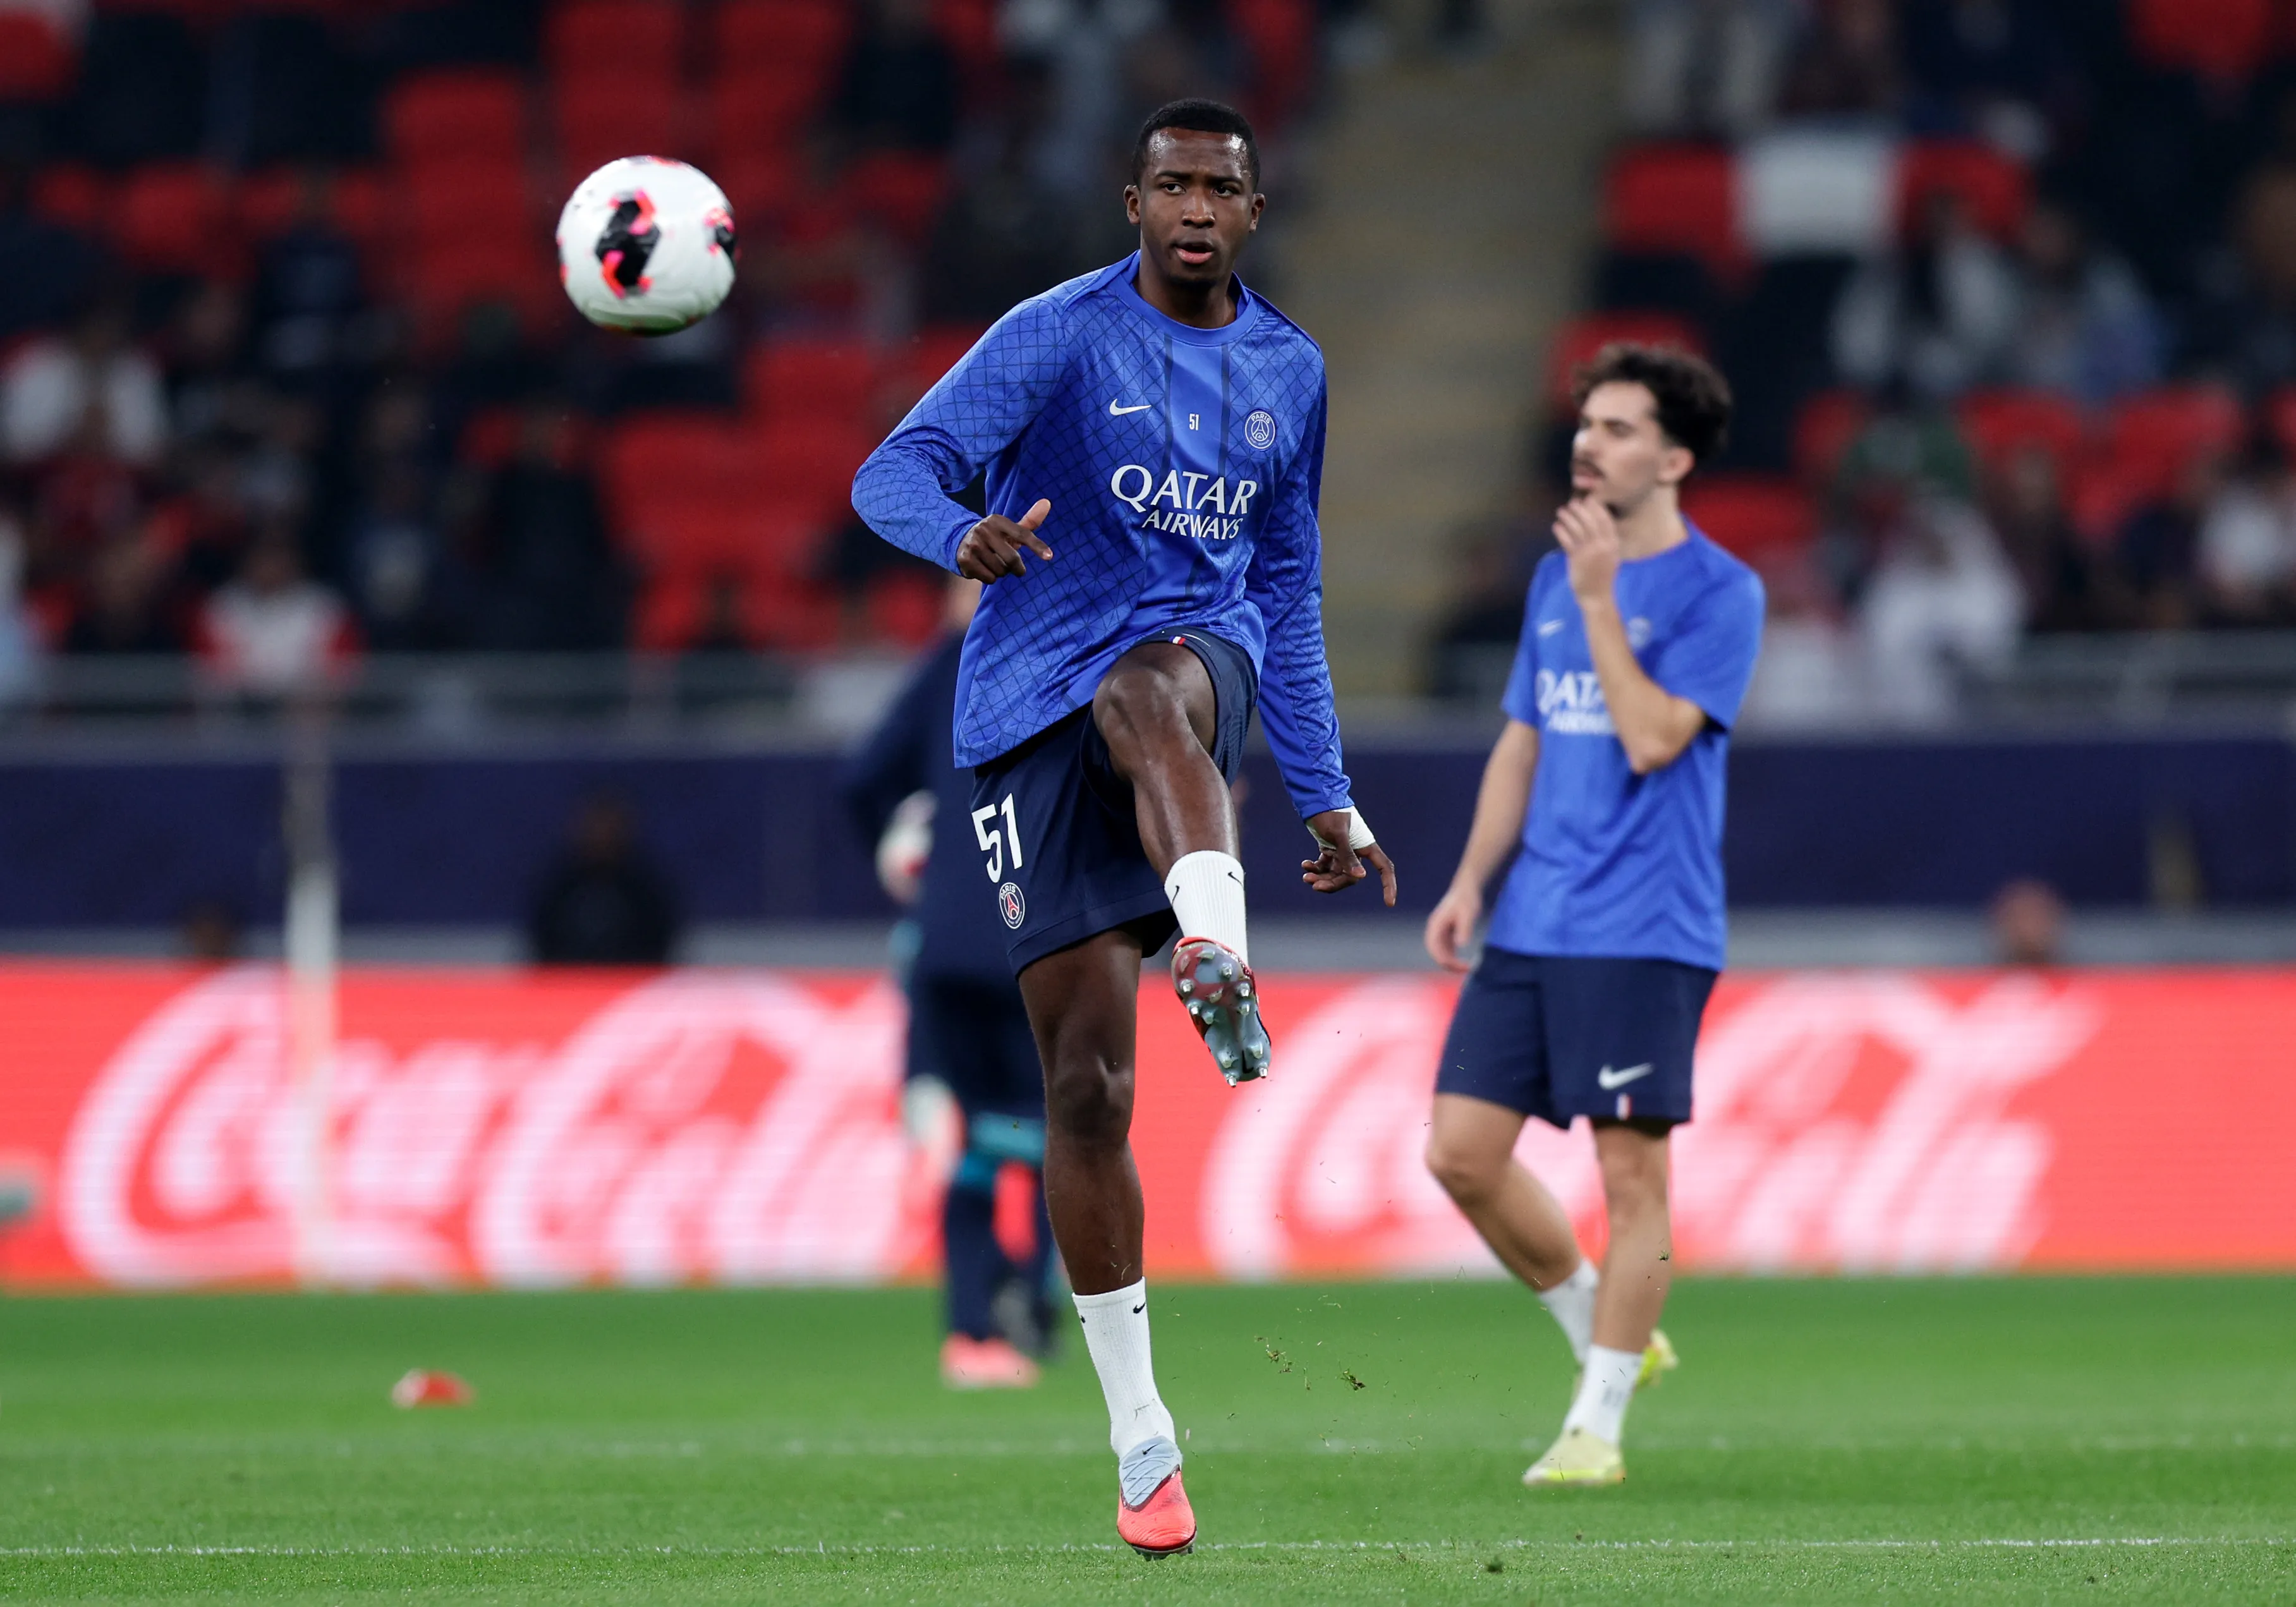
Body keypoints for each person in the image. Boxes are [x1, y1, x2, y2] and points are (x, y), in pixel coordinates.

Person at [852, 98, 1395, 1558]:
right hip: (1020, 720)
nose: (1198, 207)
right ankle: (1142, 1437)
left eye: (1223, 187)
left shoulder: (1292, 369)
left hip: (1179, 677)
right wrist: (953, 534)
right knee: (1086, 1087)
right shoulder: (1055, 333)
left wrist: (1329, 790)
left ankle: (1217, 949)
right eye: (1174, 186)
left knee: (1161, 685)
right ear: (1134, 203)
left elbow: (1284, 589)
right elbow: (888, 472)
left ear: (1256, 212)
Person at [1421, 344, 1763, 1489]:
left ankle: (1596, 1427)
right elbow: (1524, 735)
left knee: (1631, 1185)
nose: (1588, 442)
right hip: (1533, 916)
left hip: (1642, 924)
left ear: (1671, 457)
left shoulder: (1721, 591)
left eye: (1617, 427)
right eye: (1585, 423)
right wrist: (1472, 877)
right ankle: (1600, 1326)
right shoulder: (1552, 578)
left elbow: (1652, 736)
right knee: (1460, 1153)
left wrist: (1602, 601)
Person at [839, 576, 1059, 1391]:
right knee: (1054, 1132)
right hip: (1038, 929)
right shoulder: (1059, 653)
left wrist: (905, 863)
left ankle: (971, 1330)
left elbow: (861, 778)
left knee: (961, 1138)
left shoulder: (944, 665)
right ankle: (1032, 1302)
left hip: (945, 943)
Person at [526, 795, 682, 966]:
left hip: (629, 979)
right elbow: (542, 940)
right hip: (569, 983)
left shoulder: (646, 890)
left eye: (610, 827)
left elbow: (659, 940)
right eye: (596, 826)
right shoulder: (559, 888)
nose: (602, 834)